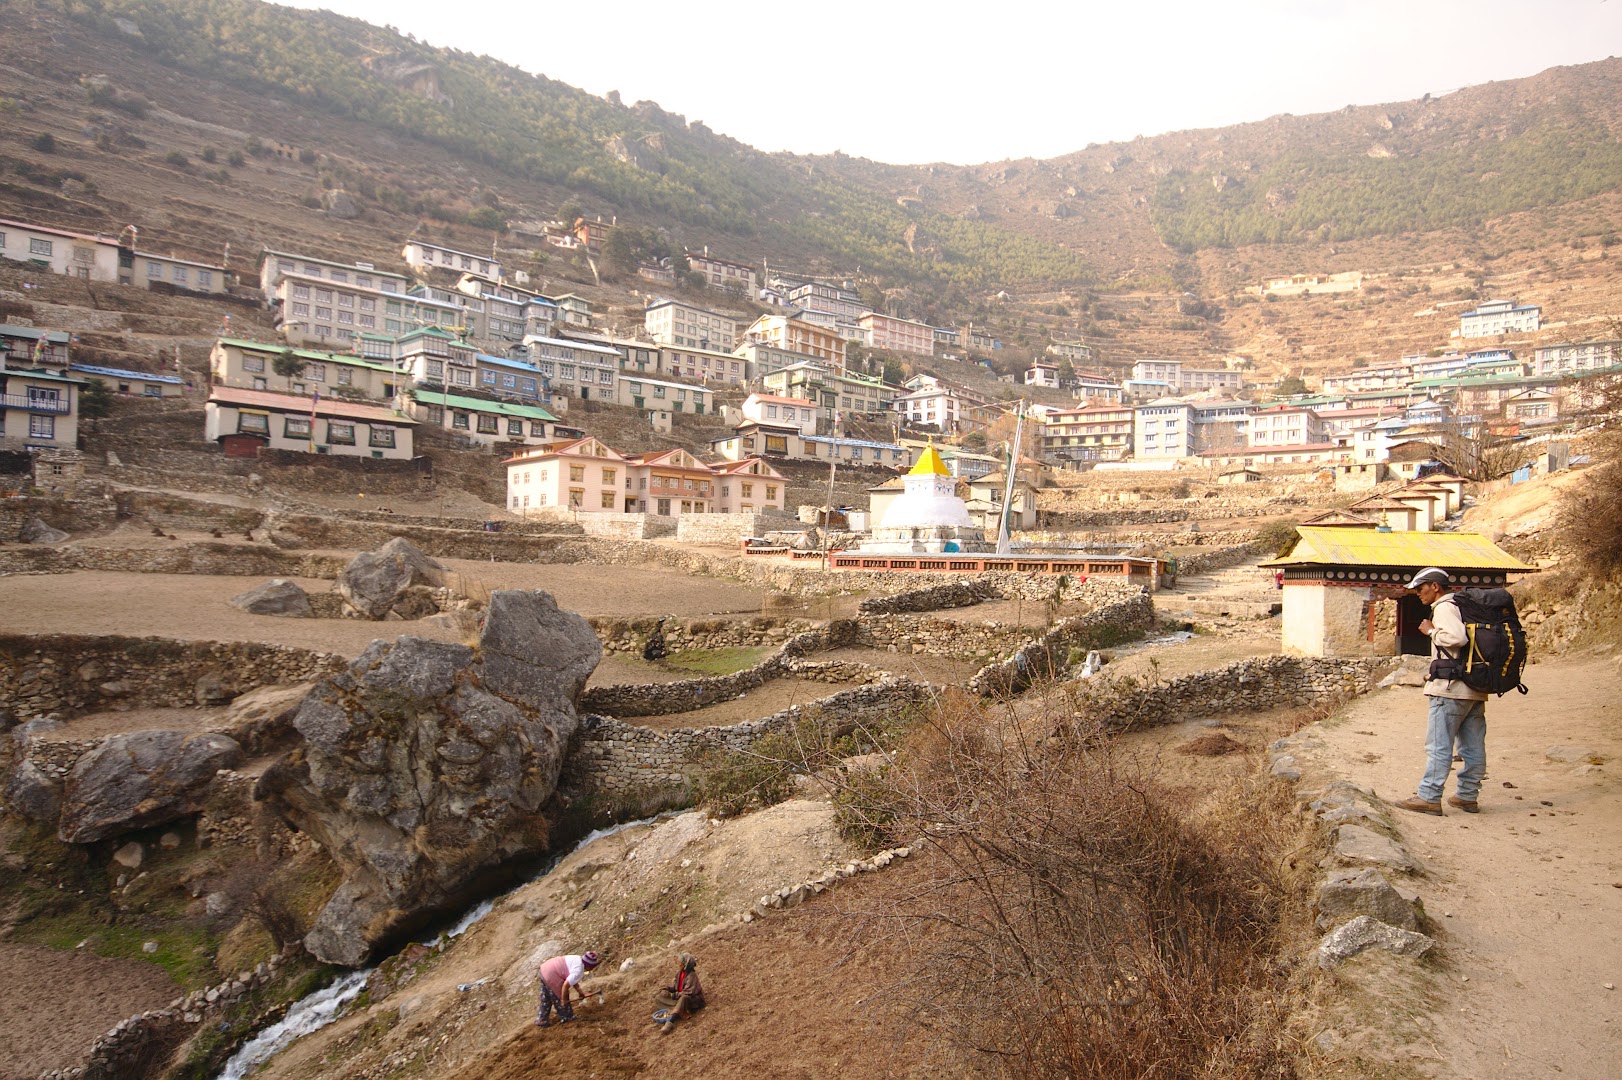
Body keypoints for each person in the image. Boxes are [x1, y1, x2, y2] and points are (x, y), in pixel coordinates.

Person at [1395, 567, 1488, 816]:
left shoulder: (1445, 607)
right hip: (1473, 687)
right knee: (1472, 746)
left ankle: (1429, 796)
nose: (1417, 594)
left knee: (1438, 745)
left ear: (1435, 586)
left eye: (1420, 588)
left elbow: (1457, 638)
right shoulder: (1463, 606)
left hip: (1449, 689)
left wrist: (1431, 631)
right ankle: (1468, 796)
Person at [536, 950, 600, 1027]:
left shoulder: (578, 959)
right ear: (589, 966)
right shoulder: (579, 970)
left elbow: (572, 978)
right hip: (552, 974)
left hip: (545, 969)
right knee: (561, 996)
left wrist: (580, 992)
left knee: (546, 997)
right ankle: (567, 1017)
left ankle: (541, 1019)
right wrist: (563, 1000)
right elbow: (566, 985)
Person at [652, 952, 704, 1035]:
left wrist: (672, 995)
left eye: (680, 962)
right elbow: (675, 986)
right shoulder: (680, 973)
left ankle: (671, 1020)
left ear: (685, 965)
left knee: (684, 998)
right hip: (679, 999)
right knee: (658, 998)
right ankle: (678, 1009)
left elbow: (688, 992)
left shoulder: (692, 976)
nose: (678, 963)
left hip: (692, 1001)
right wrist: (665, 989)